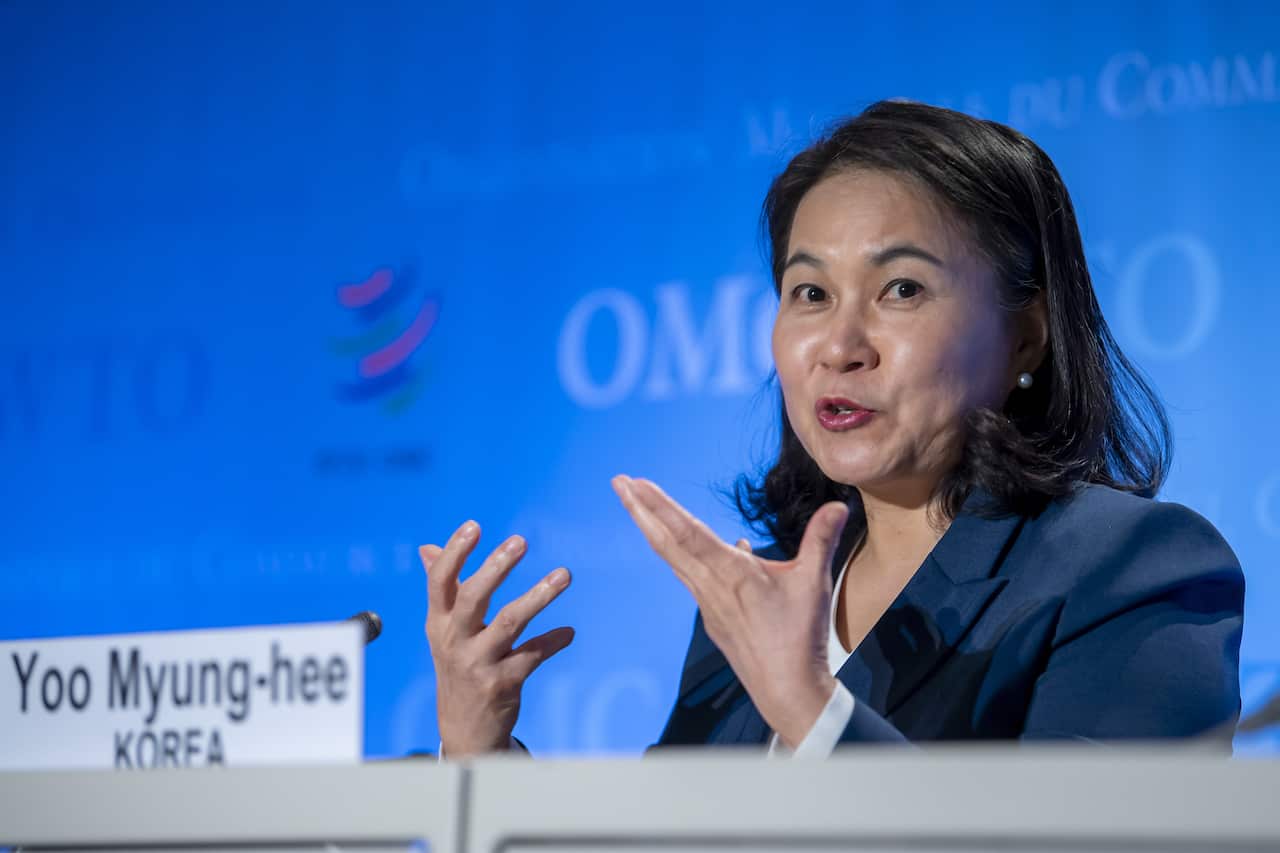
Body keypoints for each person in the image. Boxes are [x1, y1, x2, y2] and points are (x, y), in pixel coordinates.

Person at [418, 100, 1245, 758]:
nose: (840, 347)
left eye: (902, 290)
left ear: (1025, 335)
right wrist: (481, 756)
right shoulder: (756, 605)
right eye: (809, 293)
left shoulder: (1130, 567)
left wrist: (816, 714)